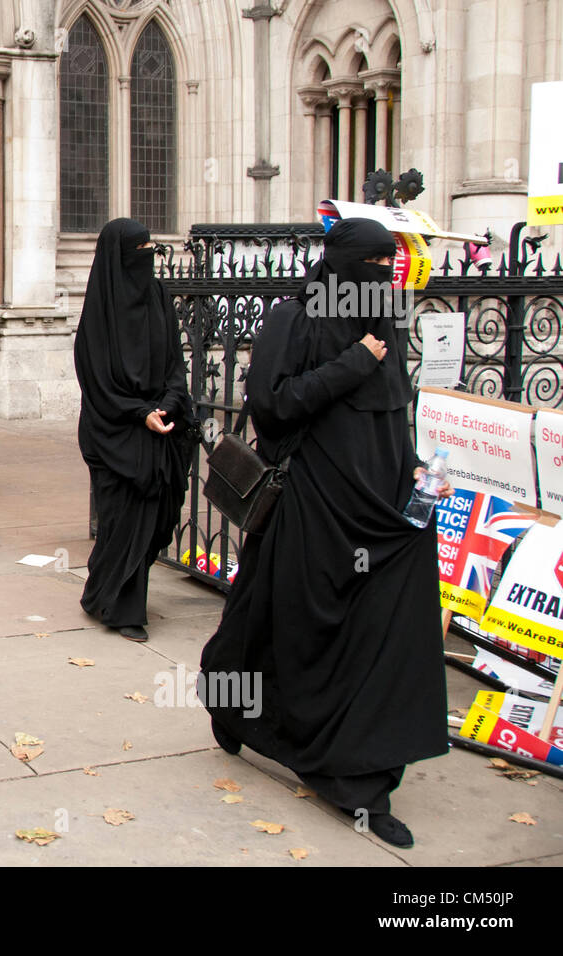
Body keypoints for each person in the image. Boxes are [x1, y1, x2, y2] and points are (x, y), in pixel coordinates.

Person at [198, 217, 451, 849]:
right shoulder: (294, 317)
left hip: (384, 510)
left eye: (384, 267)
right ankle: (272, 729)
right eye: (369, 266)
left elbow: (395, 409)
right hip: (317, 504)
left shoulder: (386, 318)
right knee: (301, 624)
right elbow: (272, 403)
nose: (379, 278)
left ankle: (354, 769)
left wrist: (416, 466)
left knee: (371, 631)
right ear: (339, 265)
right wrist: (351, 363)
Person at [73, 218, 195, 642]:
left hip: (160, 425)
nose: (145, 259)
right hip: (114, 433)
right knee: (122, 523)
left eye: (149, 249)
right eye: (136, 251)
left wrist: (168, 403)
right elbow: (98, 380)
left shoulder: (158, 295)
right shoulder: (100, 311)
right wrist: (138, 411)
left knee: (154, 520)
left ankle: (98, 590)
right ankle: (123, 608)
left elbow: (175, 362)